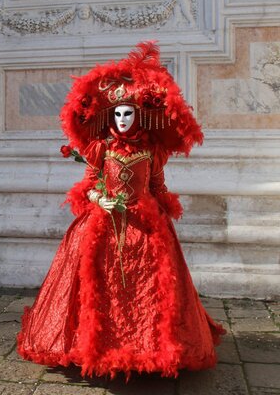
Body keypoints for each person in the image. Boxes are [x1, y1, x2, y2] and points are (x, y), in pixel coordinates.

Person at [16, 41, 226, 381]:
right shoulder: (99, 149)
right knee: (94, 281)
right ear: (109, 116)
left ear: (139, 114)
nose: (123, 119)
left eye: (128, 113)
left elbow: (157, 188)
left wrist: (164, 215)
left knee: (156, 286)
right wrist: (101, 199)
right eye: (117, 114)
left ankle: (148, 349)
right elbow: (86, 187)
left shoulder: (154, 152)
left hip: (145, 228)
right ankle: (94, 347)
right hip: (104, 222)